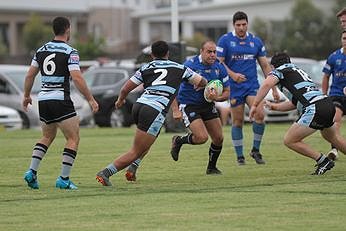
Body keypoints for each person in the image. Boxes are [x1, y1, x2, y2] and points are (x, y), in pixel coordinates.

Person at [95, 40, 208, 186]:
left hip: (139, 106)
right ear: (168, 53)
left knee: (147, 140)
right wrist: (201, 85)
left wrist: (120, 101)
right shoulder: (179, 68)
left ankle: (133, 168)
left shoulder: (146, 67)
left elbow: (125, 88)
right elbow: (202, 81)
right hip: (154, 110)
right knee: (136, 150)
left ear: (152, 54)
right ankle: (105, 173)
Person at [23, 16, 99, 189]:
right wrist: (91, 99)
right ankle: (63, 179)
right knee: (73, 137)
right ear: (67, 29)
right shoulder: (70, 51)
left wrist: (26, 95)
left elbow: (29, 75)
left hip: (43, 100)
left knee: (47, 136)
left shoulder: (41, 50)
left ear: (53, 30)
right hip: (60, 99)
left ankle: (31, 172)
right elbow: (77, 77)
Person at [250, 52, 346, 175]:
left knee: (290, 140)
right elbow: (295, 103)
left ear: (273, 66)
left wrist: (254, 104)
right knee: (334, 138)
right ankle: (324, 161)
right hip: (326, 104)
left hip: (315, 107)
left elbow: (267, 84)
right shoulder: (297, 72)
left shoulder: (280, 70)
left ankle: (323, 161)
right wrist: (274, 107)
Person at [216, 11, 279, 165]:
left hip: (252, 86)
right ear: (234, 25)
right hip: (234, 87)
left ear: (247, 24)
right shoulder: (225, 40)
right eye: (238, 25)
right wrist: (232, 75)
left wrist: (274, 88)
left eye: (244, 24)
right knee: (237, 121)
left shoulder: (255, 41)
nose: (241, 28)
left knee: (260, 115)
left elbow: (265, 65)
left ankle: (255, 150)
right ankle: (240, 156)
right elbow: (219, 62)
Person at [321, 30, 346, 161]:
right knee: (335, 119)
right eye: (344, 38)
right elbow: (325, 76)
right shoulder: (334, 57)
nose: (345, 41)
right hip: (337, 95)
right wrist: (324, 95)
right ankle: (335, 149)